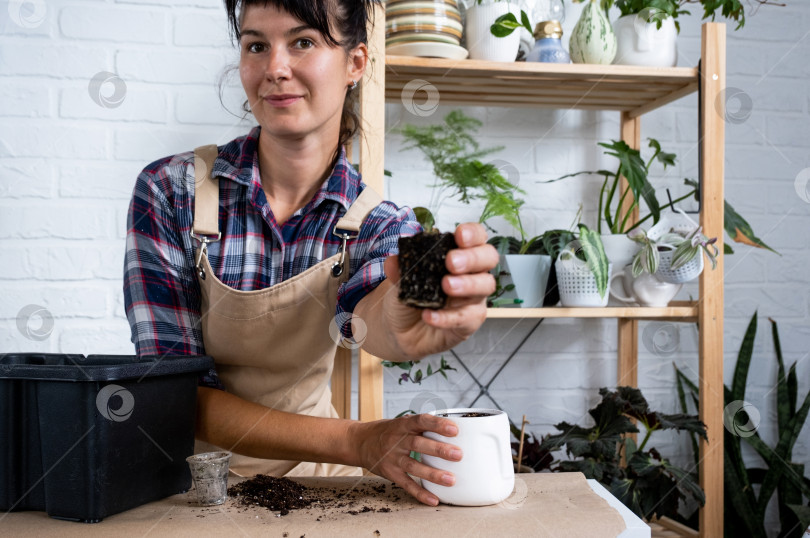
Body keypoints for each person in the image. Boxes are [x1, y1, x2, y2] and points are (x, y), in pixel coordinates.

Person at [124, 0, 498, 507]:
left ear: (356, 63)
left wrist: (408, 319)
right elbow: (173, 397)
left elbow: (375, 317)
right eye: (257, 45)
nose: (275, 68)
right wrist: (359, 440)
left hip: (318, 486)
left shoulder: (378, 223)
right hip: (184, 487)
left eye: (303, 42)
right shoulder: (172, 192)